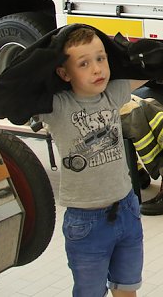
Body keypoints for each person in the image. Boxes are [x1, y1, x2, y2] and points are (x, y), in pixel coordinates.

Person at [39, 26, 148, 297]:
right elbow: (10, 94)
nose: (97, 69)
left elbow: (146, 68)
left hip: (126, 209)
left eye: (101, 58)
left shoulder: (112, 93)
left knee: (127, 287)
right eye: (84, 64)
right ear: (64, 73)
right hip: (85, 222)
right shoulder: (57, 107)